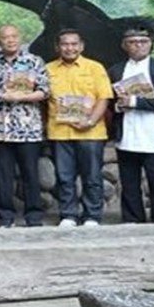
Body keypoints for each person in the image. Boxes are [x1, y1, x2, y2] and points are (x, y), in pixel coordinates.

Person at [0, 24, 50, 228]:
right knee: (3, 175)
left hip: (29, 129)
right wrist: (2, 95)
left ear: (20, 37)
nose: (10, 40)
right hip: (0, 129)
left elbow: (44, 91)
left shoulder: (34, 61)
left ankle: (34, 216)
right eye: (5, 37)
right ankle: (5, 216)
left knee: (30, 174)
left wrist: (21, 96)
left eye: (14, 36)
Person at [107, 28, 154, 223]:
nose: (138, 45)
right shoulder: (116, 70)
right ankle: (132, 219)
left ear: (151, 45)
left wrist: (136, 102)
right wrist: (119, 106)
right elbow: (109, 102)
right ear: (124, 45)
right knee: (129, 183)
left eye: (143, 41)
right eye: (133, 41)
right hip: (127, 134)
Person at [45, 29, 113, 227]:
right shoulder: (48, 69)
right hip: (60, 131)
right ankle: (68, 214)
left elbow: (104, 98)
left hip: (91, 131)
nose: (70, 48)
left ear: (81, 46)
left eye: (74, 44)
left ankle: (92, 215)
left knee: (92, 176)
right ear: (57, 47)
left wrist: (90, 121)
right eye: (65, 44)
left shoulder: (95, 68)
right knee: (64, 176)